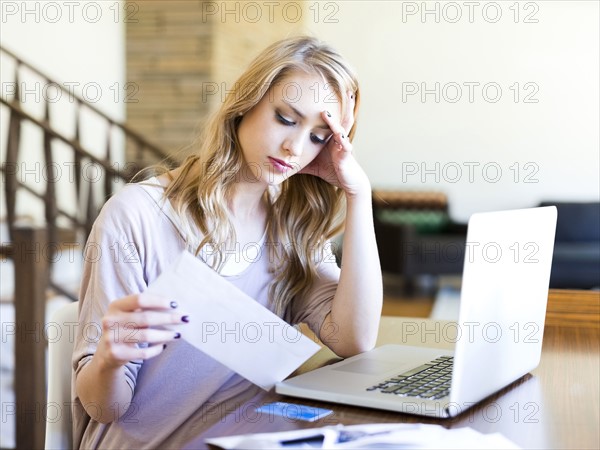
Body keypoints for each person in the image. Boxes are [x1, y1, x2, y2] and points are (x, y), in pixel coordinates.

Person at [72, 35, 383, 448]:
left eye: (319, 136)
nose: (294, 147)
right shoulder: (136, 216)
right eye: (286, 119)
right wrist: (111, 359)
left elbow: (353, 339)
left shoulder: (293, 224)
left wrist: (358, 195)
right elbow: (104, 408)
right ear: (246, 103)